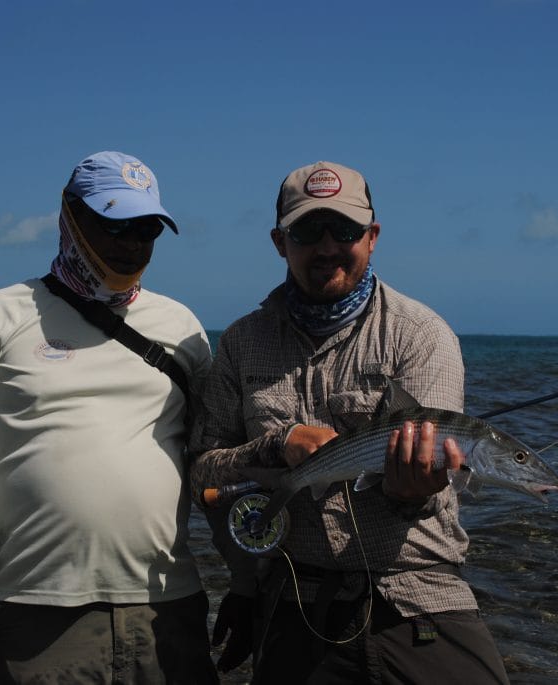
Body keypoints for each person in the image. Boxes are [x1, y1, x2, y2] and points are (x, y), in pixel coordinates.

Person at [189, 161, 510, 684]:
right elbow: (200, 473)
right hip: (294, 599)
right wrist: (276, 446)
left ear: (373, 236)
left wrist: (414, 488)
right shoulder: (242, 344)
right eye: (307, 231)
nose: (327, 246)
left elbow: (426, 493)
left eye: (344, 229)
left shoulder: (420, 335)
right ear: (279, 241)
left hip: (415, 592)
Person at [0, 151, 218, 684]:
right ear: (70, 217)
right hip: (38, 610)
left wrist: (247, 580)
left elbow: (216, 463)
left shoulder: (183, 328)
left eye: (146, 228)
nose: (131, 243)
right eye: (114, 225)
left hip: (167, 602)